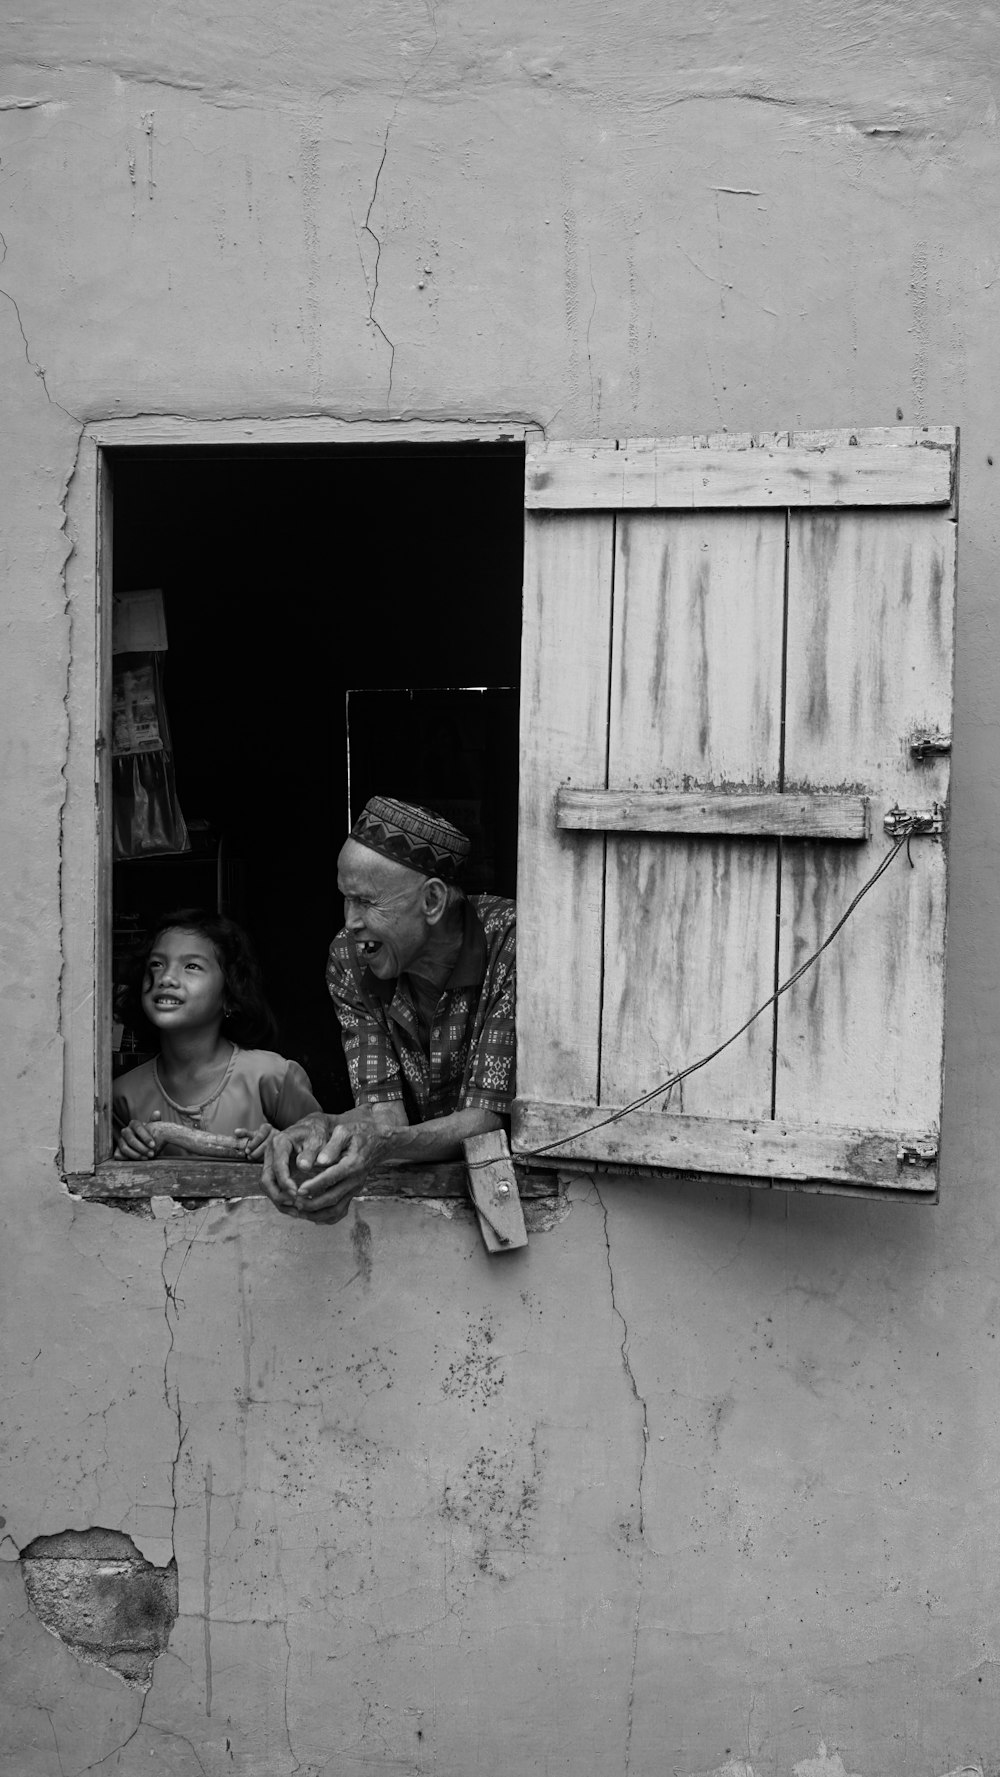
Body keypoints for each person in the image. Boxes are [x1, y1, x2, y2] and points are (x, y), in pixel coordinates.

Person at [262, 797, 516, 1224]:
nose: (350, 921)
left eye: (365, 901)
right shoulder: (350, 958)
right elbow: (384, 1113)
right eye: (345, 899)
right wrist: (320, 1131)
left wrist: (383, 1144)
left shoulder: (508, 942)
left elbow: (485, 1120)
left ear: (432, 901)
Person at [114, 908, 322, 1159]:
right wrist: (127, 1149)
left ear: (230, 997)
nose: (166, 977)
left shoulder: (272, 1078)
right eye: (156, 964)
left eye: (191, 966)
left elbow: (322, 1152)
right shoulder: (122, 1096)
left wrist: (283, 1144)